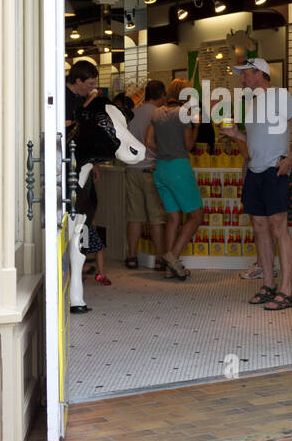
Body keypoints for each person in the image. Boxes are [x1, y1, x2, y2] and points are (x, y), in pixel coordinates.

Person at [219, 58, 292, 311]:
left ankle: (286, 290)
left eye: (245, 74)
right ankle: (268, 284)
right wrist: (236, 135)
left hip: (274, 170)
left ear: (260, 74)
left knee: (278, 227)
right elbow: (252, 145)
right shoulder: (252, 104)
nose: (242, 79)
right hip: (254, 171)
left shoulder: (280, 96)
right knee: (259, 227)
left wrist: (290, 158)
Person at [145, 79, 203, 278]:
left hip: (160, 169)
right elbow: (188, 145)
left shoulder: (156, 112)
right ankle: (172, 256)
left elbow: (149, 142)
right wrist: (196, 126)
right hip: (179, 167)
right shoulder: (184, 114)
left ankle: (170, 269)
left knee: (173, 217)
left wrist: (165, 149)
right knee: (196, 216)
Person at [66, 59, 114, 285]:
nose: (93, 87)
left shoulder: (79, 99)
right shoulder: (66, 100)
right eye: (90, 83)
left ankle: (80, 260)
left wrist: (93, 162)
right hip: (67, 169)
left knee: (86, 212)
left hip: (80, 166)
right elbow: (70, 134)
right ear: (77, 80)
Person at [124, 80, 168, 270]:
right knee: (156, 217)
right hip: (151, 169)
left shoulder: (133, 113)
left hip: (132, 169)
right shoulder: (160, 114)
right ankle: (159, 259)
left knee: (135, 216)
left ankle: (132, 257)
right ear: (162, 95)